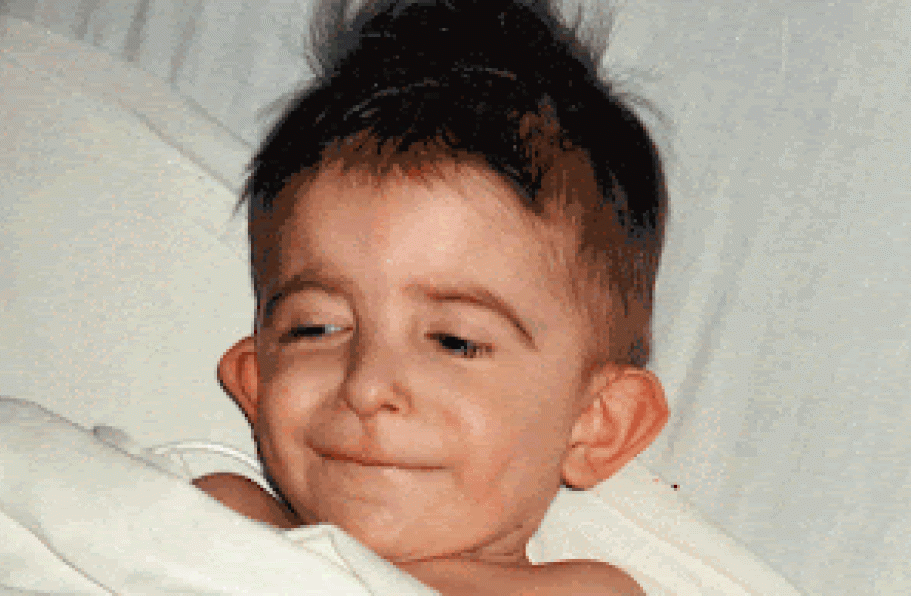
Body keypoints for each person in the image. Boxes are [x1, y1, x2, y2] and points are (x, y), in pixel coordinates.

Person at [195, 0, 670, 593]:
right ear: (255, 380)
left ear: (595, 423)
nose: (366, 387)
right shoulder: (207, 519)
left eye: (454, 341)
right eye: (315, 328)